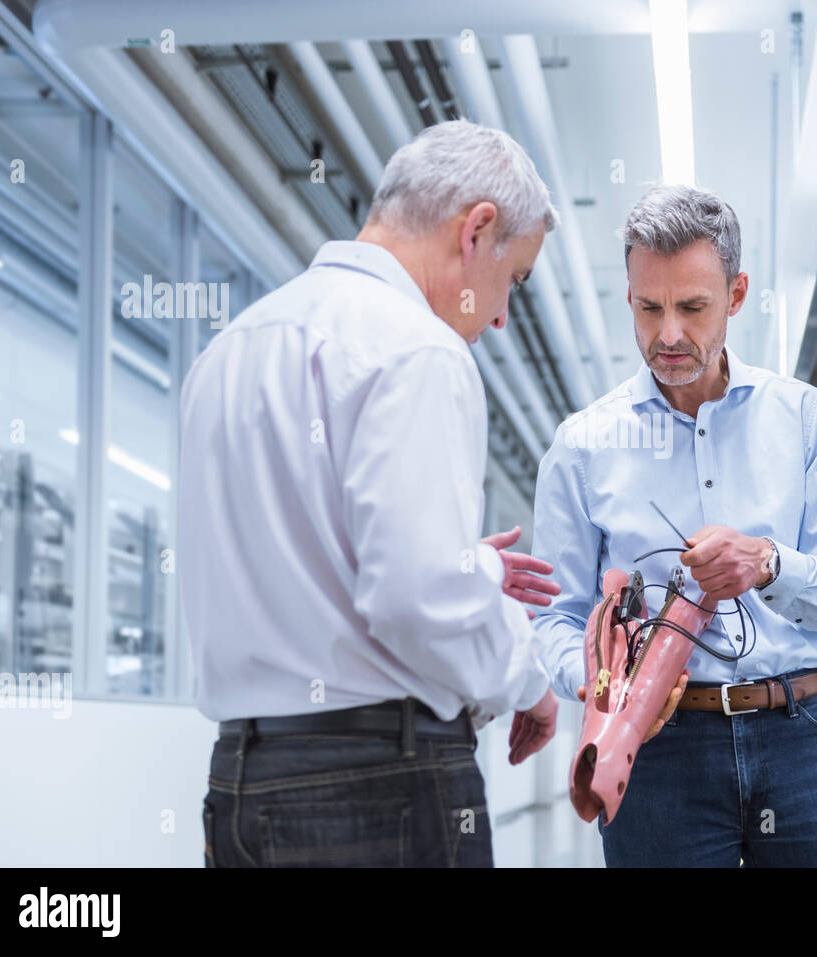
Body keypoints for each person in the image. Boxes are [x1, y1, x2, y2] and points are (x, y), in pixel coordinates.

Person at [180, 120, 562, 868]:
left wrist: (467, 568)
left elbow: (310, 562)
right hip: (380, 789)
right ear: (477, 231)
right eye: (511, 279)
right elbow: (416, 597)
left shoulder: (229, 350)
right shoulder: (419, 348)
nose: (500, 315)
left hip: (239, 787)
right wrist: (529, 679)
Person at [531, 184, 817, 867]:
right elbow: (554, 618)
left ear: (738, 293)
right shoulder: (583, 445)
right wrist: (604, 679)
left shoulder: (804, 418)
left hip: (800, 730)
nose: (667, 334)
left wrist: (772, 563)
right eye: (648, 307)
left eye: (692, 307)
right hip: (658, 747)